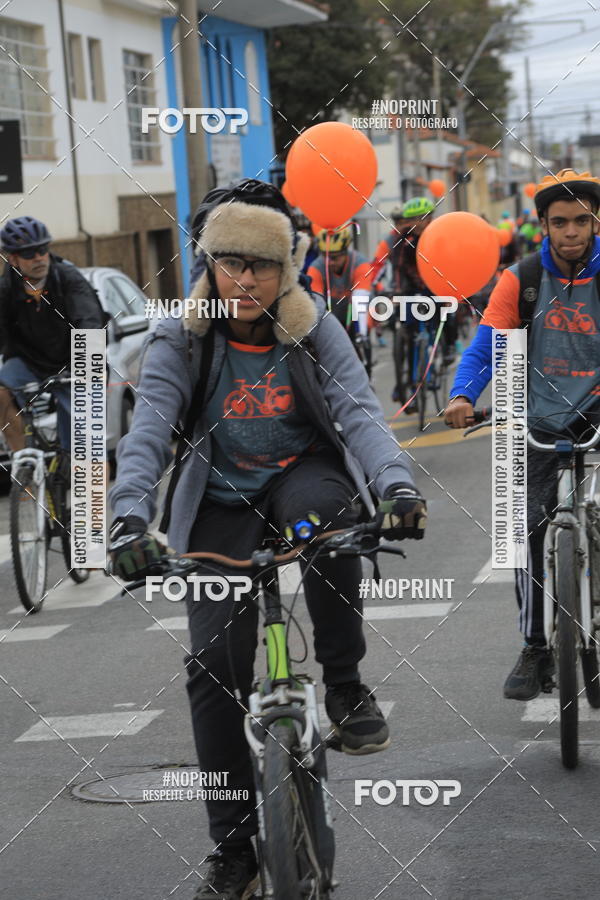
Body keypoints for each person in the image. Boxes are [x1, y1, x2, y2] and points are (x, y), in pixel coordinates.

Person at [108, 179, 427, 900]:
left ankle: (343, 685)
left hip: (300, 481)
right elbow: (148, 431)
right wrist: (128, 517)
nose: (245, 280)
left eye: (262, 264)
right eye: (230, 263)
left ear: (287, 267)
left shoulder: (314, 331)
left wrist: (398, 488)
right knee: (213, 666)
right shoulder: (181, 339)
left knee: (329, 523)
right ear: (208, 266)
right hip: (220, 502)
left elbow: (360, 414)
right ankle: (234, 851)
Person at [445, 168, 600, 701]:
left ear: (595, 222)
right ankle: (535, 646)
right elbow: (487, 346)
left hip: (597, 416)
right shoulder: (523, 280)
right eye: (560, 222)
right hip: (537, 420)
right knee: (521, 526)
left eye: (581, 220)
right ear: (543, 225)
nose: (571, 231)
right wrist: (463, 395)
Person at [0, 216, 106, 452]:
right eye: (29, 253)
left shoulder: (69, 278)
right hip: (29, 363)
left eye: (42, 249)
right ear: (13, 259)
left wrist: (88, 367)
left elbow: (89, 322)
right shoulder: (6, 288)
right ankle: (25, 462)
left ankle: (86, 466)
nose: (38, 257)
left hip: (75, 364)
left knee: (87, 449)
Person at [390, 197, 458, 406]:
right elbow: (398, 268)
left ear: (430, 218)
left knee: (448, 312)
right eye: (412, 219)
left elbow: (449, 263)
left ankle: (449, 347)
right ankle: (410, 385)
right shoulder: (403, 240)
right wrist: (397, 291)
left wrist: (448, 292)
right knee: (409, 332)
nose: (416, 223)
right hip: (411, 287)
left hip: (435, 285)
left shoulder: (439, 236)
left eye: (421, 218)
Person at [306, 225, 375, 370]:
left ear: (346, 253)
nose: (329, 262)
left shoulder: (360, 263)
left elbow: (360, 298)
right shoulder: (316, 267)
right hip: (332, 313)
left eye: (334, 257)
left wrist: (361, 333)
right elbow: (316, 303)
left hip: (355, 311)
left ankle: (367, 371)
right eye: (325, 256)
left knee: (362, 335)